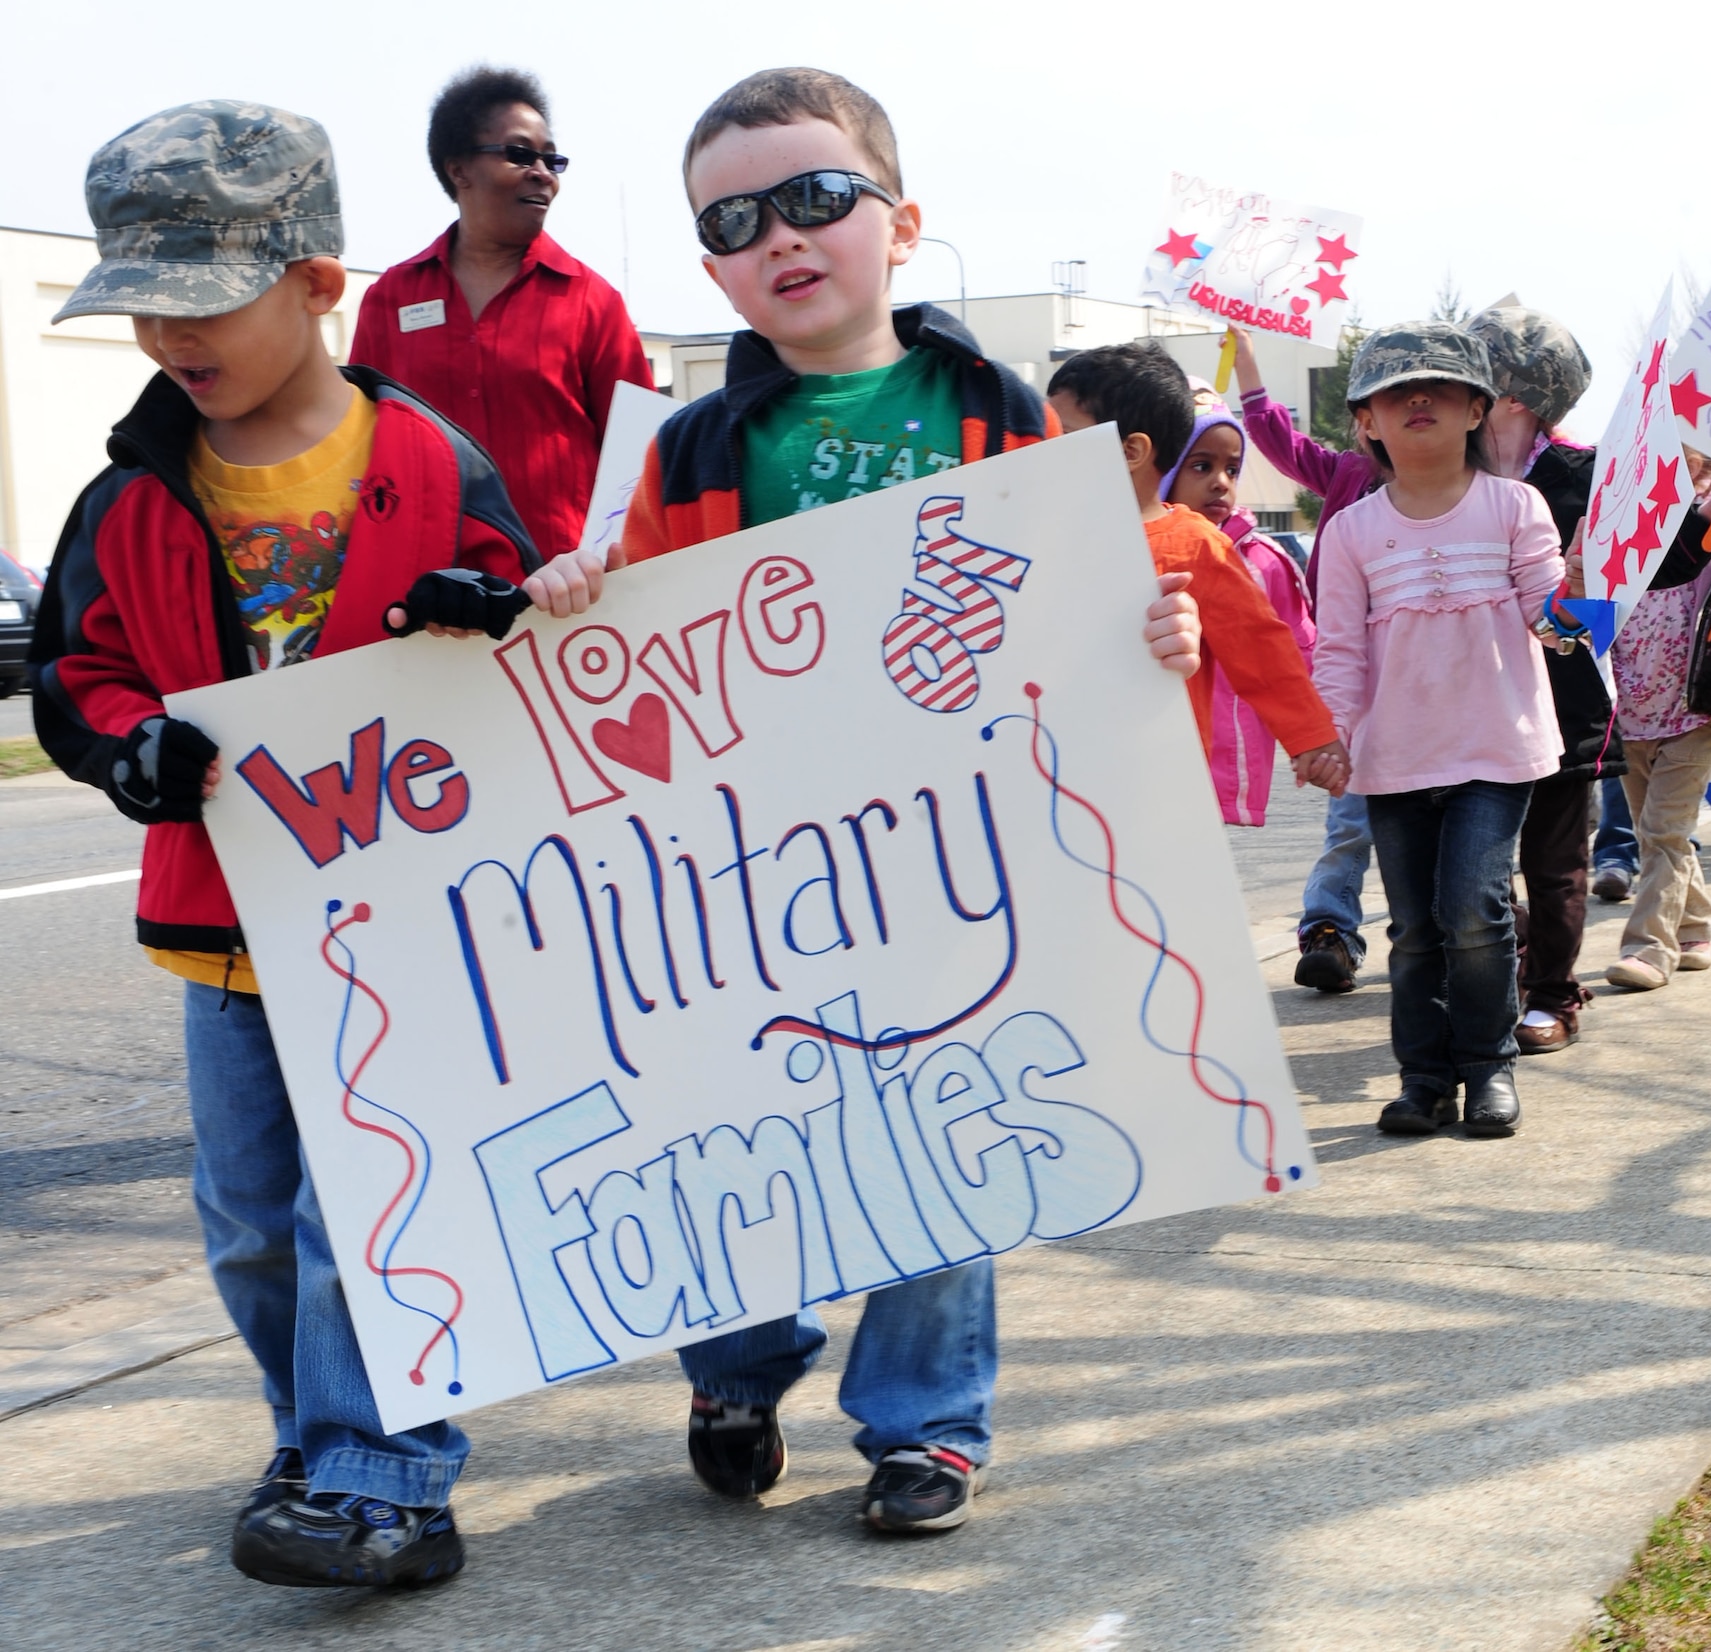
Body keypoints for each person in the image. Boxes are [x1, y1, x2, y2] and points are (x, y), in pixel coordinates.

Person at [588, 68, 1203, 1537]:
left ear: (901, 222)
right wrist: (576, 594)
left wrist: (1152, 636)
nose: (780, 237)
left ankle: (925, 1423)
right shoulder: (691, 447)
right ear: (710, 266)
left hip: (953, 841)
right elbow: (631, 641)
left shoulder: (1000, 414)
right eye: (734, 220)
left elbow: (1071, 608)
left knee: (940, 1113)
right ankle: (738, 1363)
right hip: (742, 853)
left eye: (815, 197)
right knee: (727, 1117)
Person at [30, 101, 550, 1589]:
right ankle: (313, 1435)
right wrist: (135, 747)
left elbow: (526, 623)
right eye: (139, 302)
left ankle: (389, 1470)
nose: (164, 335)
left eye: (203, 299)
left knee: (370, 1206)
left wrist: (482, 608)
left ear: (320, 282)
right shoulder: (130, 494)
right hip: (224, 927)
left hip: (402, 917)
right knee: (253, 1222)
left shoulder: (434, 464)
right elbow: (78, 673)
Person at [1312, 322, 1568, 1140]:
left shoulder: (1515, 505)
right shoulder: (1350, 532)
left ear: (1475, 412)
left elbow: (1548, 607)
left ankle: (1490, 1068)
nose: (1417, 400)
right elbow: (1340, 649)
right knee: (1414, 927)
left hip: (1498, 747)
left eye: (1440, 387)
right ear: (1366, 422)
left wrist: (1571, 613)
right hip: (1393, 762)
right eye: (1394, 392)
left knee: (1474, 908)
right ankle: (1423, 1081)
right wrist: (1328, 734)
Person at [349, 67, 653, 562]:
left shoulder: (593, 302)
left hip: (567, 596)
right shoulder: (390, 299)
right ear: (459, 169)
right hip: (432, 593)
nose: (542, 173)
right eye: (519, 154)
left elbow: (638, 456)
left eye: (551, 159)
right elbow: (365, 446)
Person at [1044, 341, 1346, 785]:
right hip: (1043, 764)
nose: (1041, 448)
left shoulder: (1195, 546)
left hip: (1156, 786)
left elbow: (1261, 651)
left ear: (1131, 452)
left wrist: (1313, 740)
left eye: (1060, 434)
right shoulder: (1035, 535)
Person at [1467, 305, 1618, 1054]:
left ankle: (1554, 994)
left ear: (1518, 396)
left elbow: (1643, 576)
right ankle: (1520, 958)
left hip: (1562, 696)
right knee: (1465, 868)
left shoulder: (1587, 477)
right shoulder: (1435, 472)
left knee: (1555, 863)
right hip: (1462, 700)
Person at [1229, 323, 1382, 993]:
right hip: (1351, 678)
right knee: (1351, 818)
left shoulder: (1469, 489)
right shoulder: (1349, 473)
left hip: (1436, 684)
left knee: (1435, 826)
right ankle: (1329, 930)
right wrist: (1248, 361)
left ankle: (1464, 930)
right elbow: (1275, 438)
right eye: (1369, 411)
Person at [1602, 462, 1711, 991]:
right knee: (1658, 835)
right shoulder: (1615, 541)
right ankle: (1696, 925)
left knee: (1663, 832)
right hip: (1628, 715)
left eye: (1696, 478)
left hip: (1694, 712)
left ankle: (1649, 948)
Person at [1158, 391, 1318, 825]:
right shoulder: (1125, 548)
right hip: (1157, 753)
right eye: (1201, 465)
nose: (1221, 482)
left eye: (1232, 469)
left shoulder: (1265, 559)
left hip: (1229, 749)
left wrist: (1312, 738)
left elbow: (1291, 651)